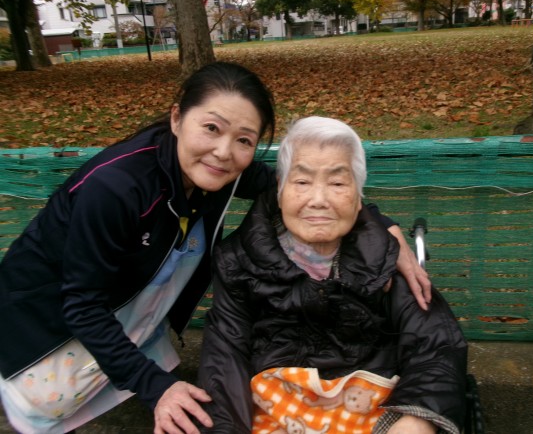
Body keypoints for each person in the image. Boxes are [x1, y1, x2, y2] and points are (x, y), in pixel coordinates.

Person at [0, 63, 428, 434]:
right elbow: (82, 305)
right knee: (53, 409)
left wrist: (381, 224)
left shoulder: (223, 171)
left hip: (128, 315)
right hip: (44, 325)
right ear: (176, 118)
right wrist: (155, 387)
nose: (224, 152)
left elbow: (303, 186)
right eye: (211, 128)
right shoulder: (115, 189)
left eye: (244, 139)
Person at [196, 116, 468, 434]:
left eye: (337, 184)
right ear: (280, 190)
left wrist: (417, 420)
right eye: (302, 182)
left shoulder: (384, 256)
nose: (319, 200)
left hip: (372, 409)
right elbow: (225, 356)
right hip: (275, 410)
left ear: (358, 196)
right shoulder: (238, 261)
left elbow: (436, 344)